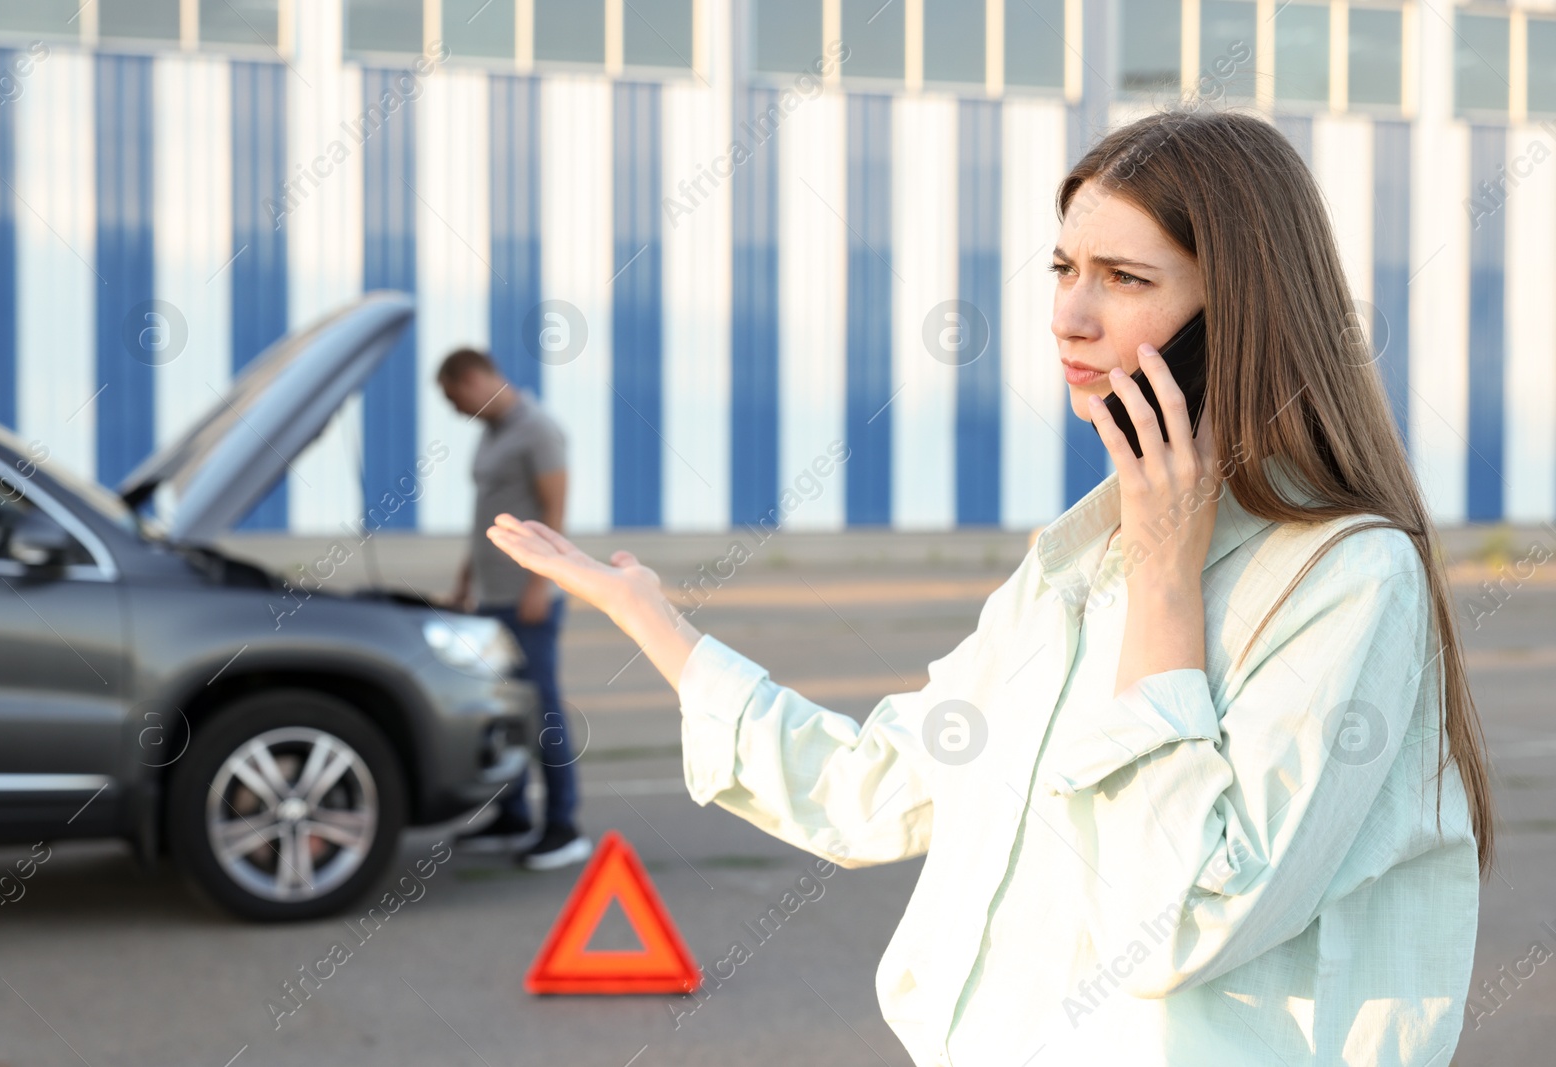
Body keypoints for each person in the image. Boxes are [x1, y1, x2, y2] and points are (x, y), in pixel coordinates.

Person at [478, 111, 1494, 1065]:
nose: (1069, 314)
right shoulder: (1069, 566)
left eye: (1122, 277)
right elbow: (867, 789)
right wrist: (652, 620)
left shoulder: (1347, 576)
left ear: (1236, 314)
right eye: (1062, 268)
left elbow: (1180, 918)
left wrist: (1164, 583)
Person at [436, 347, 592, 871]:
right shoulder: (493, 432)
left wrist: (539, 584)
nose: (456, 410)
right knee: (502, 709)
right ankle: (512, 814)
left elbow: (555, 508)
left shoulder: (537, 429)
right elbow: (487, 515)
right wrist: (465, 579)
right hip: (490, 595)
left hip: (527, 600)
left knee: (543, 709)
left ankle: (564, 825)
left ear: (476, 378)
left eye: (456, 398)